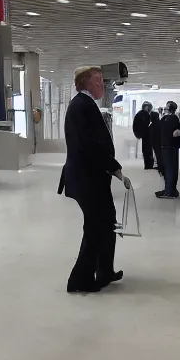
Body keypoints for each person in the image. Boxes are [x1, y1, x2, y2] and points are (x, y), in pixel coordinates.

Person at [57, 66, 131, 294]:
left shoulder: (84, 105)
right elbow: (91, 146)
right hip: (88, 179)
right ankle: (80, 279)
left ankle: (104, 270)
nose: (102, 85)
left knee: (106, 222)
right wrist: (116, 169)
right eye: (97, 81)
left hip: (91, 178)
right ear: (84, 83)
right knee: (96, 227)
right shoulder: (83, 105)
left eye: (101, 80)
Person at [156, 101, 180, 199]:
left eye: (166, 107)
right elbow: (160, 126)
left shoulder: (172, 118)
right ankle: (170, 190)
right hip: (169, 147)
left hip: (169, 147)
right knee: (170, 169)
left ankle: (169, 191)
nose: (165, 108)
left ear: (169, 108)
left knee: (169, 169)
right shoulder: (169, 118)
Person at [132, 102, 154, 170]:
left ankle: (148, 164)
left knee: (145, 150)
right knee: (147, 150)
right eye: (149, 107)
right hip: (146, 135)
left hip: (143, 134)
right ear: (146, 107)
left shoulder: (140, 114)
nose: (150, 109)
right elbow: (145, 124)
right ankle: (149, 165)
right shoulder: (144, 114)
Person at [149, 111, 163, 177]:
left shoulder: (152, 126)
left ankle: (161, 169)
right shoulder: (160, 124)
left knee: (158, 155)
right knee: (159, 155)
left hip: (155, 143)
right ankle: (161, 168)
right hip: (160, 142)